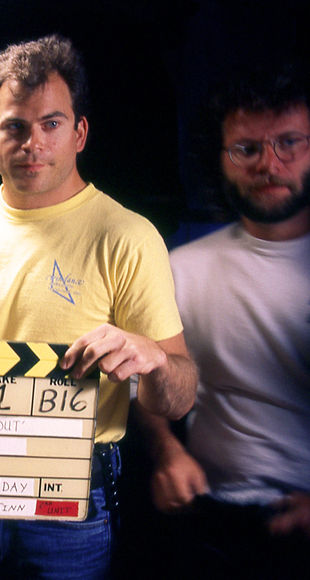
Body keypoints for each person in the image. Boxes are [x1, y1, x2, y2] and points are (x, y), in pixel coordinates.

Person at [0, 34, 197, 578]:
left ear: (79, 133)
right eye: (15, 126)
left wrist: (152, 358)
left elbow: (179, 397)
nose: (33, 143)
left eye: (51, 124)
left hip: (72, 490)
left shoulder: (127, 236)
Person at [137, 63, 310, 578]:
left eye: (289, 142)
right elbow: (143, 378)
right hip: (213, 521)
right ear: (219, 159)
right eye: (247, 149)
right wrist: (167, 452)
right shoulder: (182, 268)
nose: (268, 163)